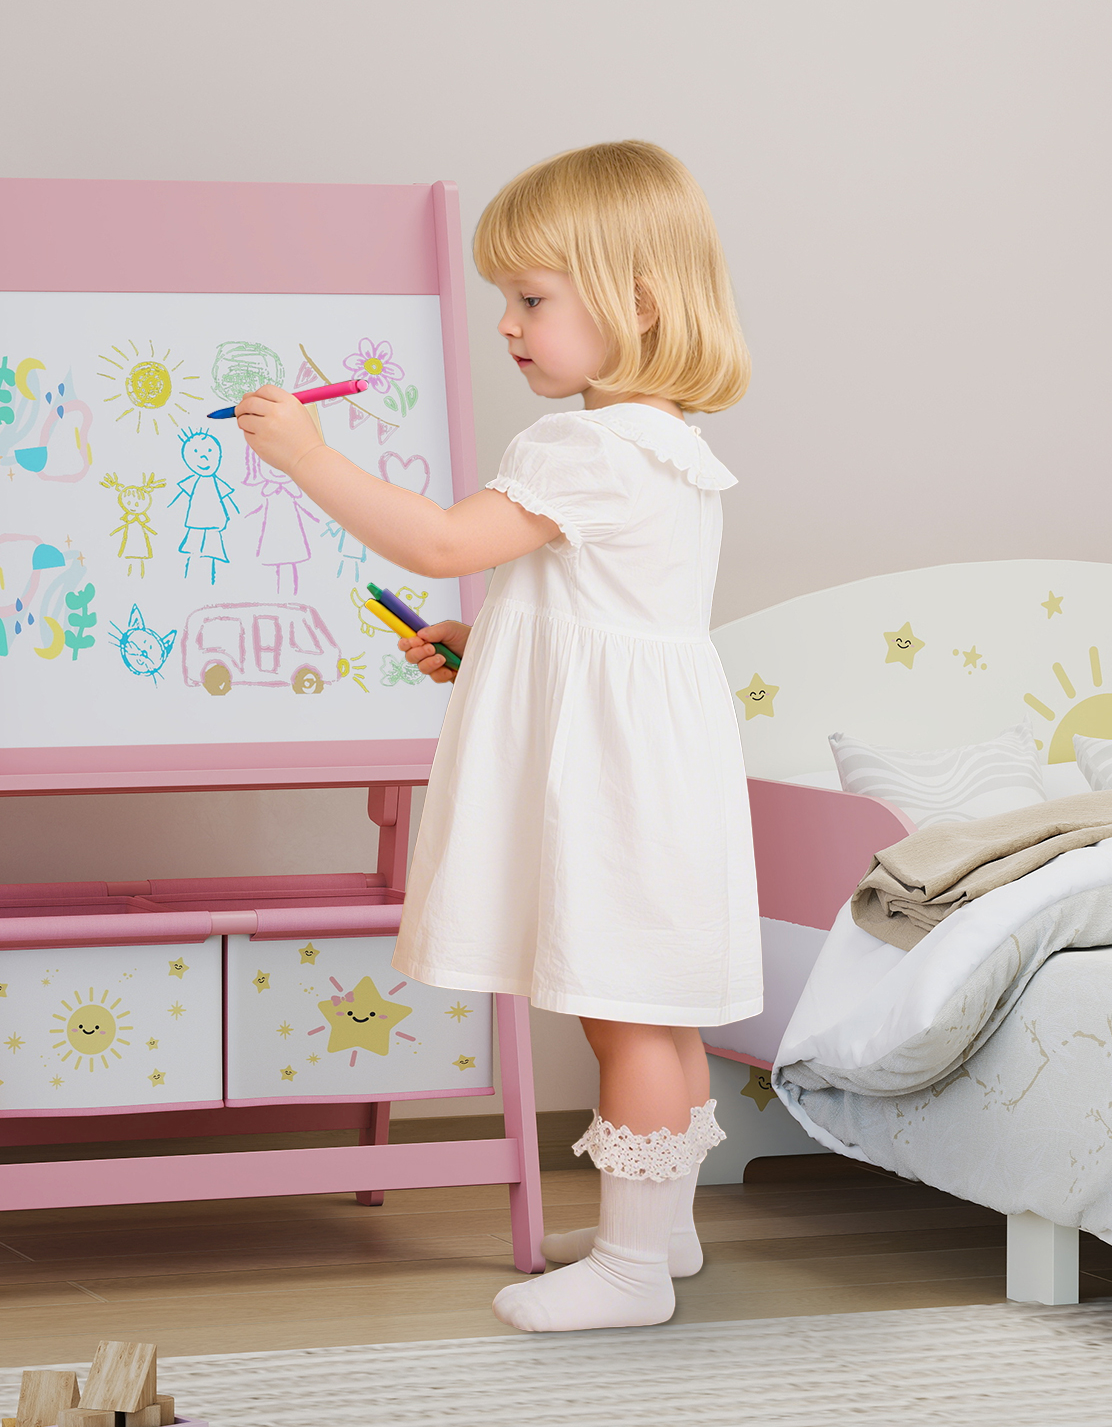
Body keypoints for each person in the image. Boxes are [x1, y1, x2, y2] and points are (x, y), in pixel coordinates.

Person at [232, 139, 759, 1333]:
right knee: (651, 1009)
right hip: (656, 757)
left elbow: (438, 545)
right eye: (503, 302)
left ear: (633, 300)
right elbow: (598, 617)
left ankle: (627, 1273)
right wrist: (483, 652)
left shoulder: (579, 444)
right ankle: (658, 1229)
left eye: (531, 298)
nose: (509, 326)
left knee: (621, 1012)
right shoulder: (668, 442)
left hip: (612, 775)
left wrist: (308, 457)